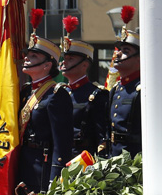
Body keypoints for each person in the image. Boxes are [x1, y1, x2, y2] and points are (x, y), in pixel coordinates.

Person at [18, 29, 73, 193]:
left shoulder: (57, 94)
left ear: (47, 65)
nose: (26, 58)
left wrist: (55, 178)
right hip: (23, 163)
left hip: (42, 168)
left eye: (33, 56)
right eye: (27, 55)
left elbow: (62, 142)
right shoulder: (26, 91)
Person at [59, 25, 108, 159]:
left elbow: (101, 135)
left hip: (83, 158)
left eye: (70, 59)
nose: (64, 63)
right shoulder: (61, 92)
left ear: (84, 65)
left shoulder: (96, 94)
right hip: (60, 155)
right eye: (64, 58)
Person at [106, 24, 142, 157]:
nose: (118, 53)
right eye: (119, 50)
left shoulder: (143, 88)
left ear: (139, 58)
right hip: (114, 156)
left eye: (125, 50)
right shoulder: (116, 89)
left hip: (135, 159)